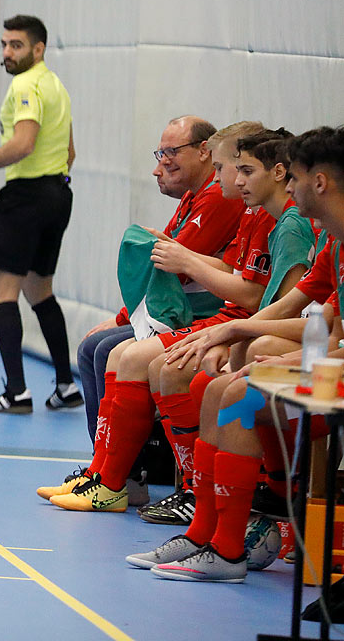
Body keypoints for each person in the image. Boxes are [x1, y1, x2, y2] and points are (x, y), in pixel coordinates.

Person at [48, 129, 313, 516]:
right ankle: (112, 477)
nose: (235, 180)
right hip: (237, 322)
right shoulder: (259, 214)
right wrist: (180, 254)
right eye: (231, 169)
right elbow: (255, 284)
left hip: (238, 321)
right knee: (121, 354)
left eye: (241, 170)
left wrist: (189, 265)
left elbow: (259, 299)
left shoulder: (283, 223)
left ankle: (188, 491)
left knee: (147, 362)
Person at [141, 126, 344, 583]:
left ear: (320, 182)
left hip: (337, 381)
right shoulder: (334, 242)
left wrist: (287, 359)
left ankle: (249, 528)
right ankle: (205, 533)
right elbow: (320, 314)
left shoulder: (305, 228)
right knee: (220, 391)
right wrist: (233, 331)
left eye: (295, 177)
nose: (288, 188)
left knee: (242, 397)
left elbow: (334, 332)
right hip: (333, 367)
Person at [72, 116, 246, 446]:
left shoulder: (220, 198)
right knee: (97, 347)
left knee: (107, 349)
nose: (160, 165)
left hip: (205, 315)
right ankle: (105, 465)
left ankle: (123, 473)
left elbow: (172, 266)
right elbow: (168, 257)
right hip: (200, 314)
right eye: (160, 153)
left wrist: (125, 316)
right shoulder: (198, 196)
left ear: (204, 151)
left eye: (172, 151)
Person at [0, 14, 77, 414]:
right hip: (57, 194)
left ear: (38, 49)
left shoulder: (24, 86)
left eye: (16, 45)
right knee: (40, 290)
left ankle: (17, 392)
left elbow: (24, 143)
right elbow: (70, 153)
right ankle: (65, 384)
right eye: (4, 44)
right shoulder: (55, 85)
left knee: (2, 292)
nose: (7, 52)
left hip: (26, 195)